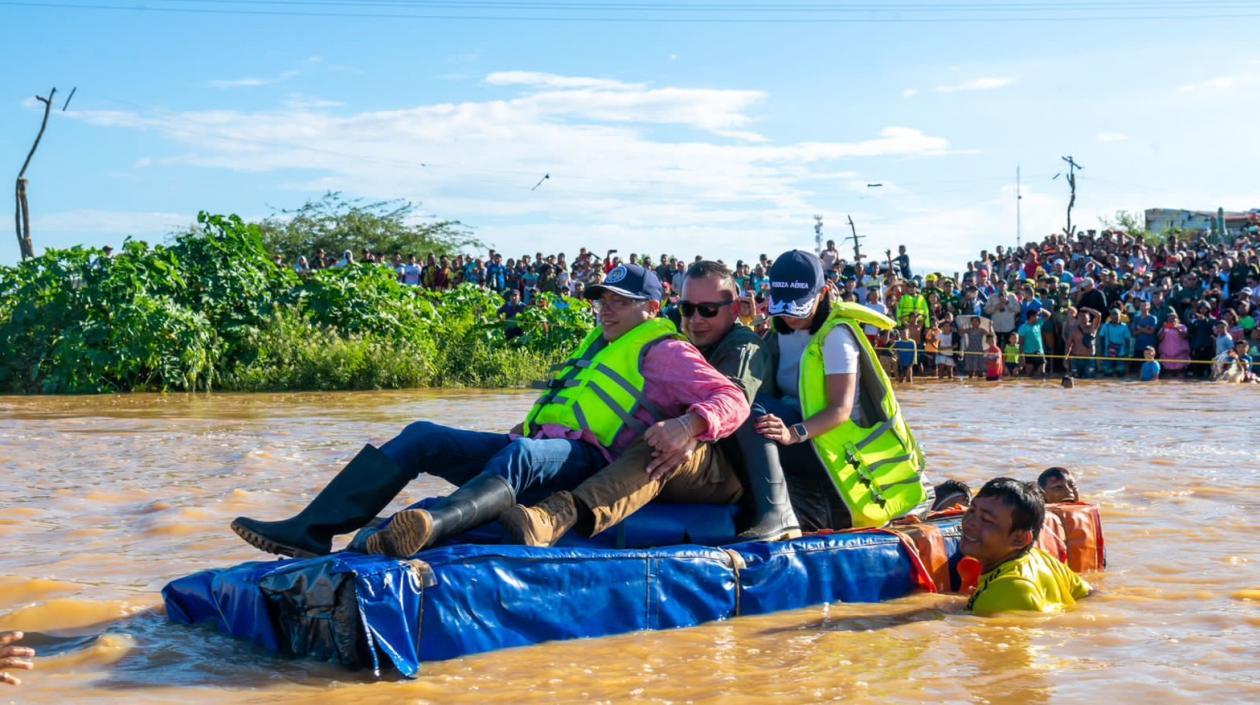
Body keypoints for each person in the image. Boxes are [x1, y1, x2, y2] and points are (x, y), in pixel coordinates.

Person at [231, 263, 750, 558]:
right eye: (601, 298)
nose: (606, 306)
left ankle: (429, 527)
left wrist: (689, 424)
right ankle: (312, 529)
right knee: (423, 435)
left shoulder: (663, 349)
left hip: (592, 464)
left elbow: (731, 400)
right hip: (545, 451)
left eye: (620, 300)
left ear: (651, 309)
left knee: (522, 455)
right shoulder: (597, 342)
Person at [500, 260, 800, 547]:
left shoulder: (742, 347)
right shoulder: (676, 341)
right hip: (693, 460)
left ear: (734, 310)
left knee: (661, 441)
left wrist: (687, 430)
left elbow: (733, 405)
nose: (696, 319)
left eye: (708, 310)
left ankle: (558, 517)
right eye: (687, 308)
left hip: (728, 468)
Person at [748, 250, 934, 531]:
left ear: (822, 293)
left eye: (798, 307)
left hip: (827, 442)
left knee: (756, 408)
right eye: (783, 307)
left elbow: (840, 409)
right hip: (798, 427)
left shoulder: (836, 336)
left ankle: (776, 515)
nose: (789, 317)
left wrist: (792, 433)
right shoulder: (778, 332)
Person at [963, 478, 1093, 615]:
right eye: (972, 510)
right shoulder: (1040, 558)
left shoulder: (1009, 589)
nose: (969, 523)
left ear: (1019, 539)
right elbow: (1089, 593)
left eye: (986, 519)